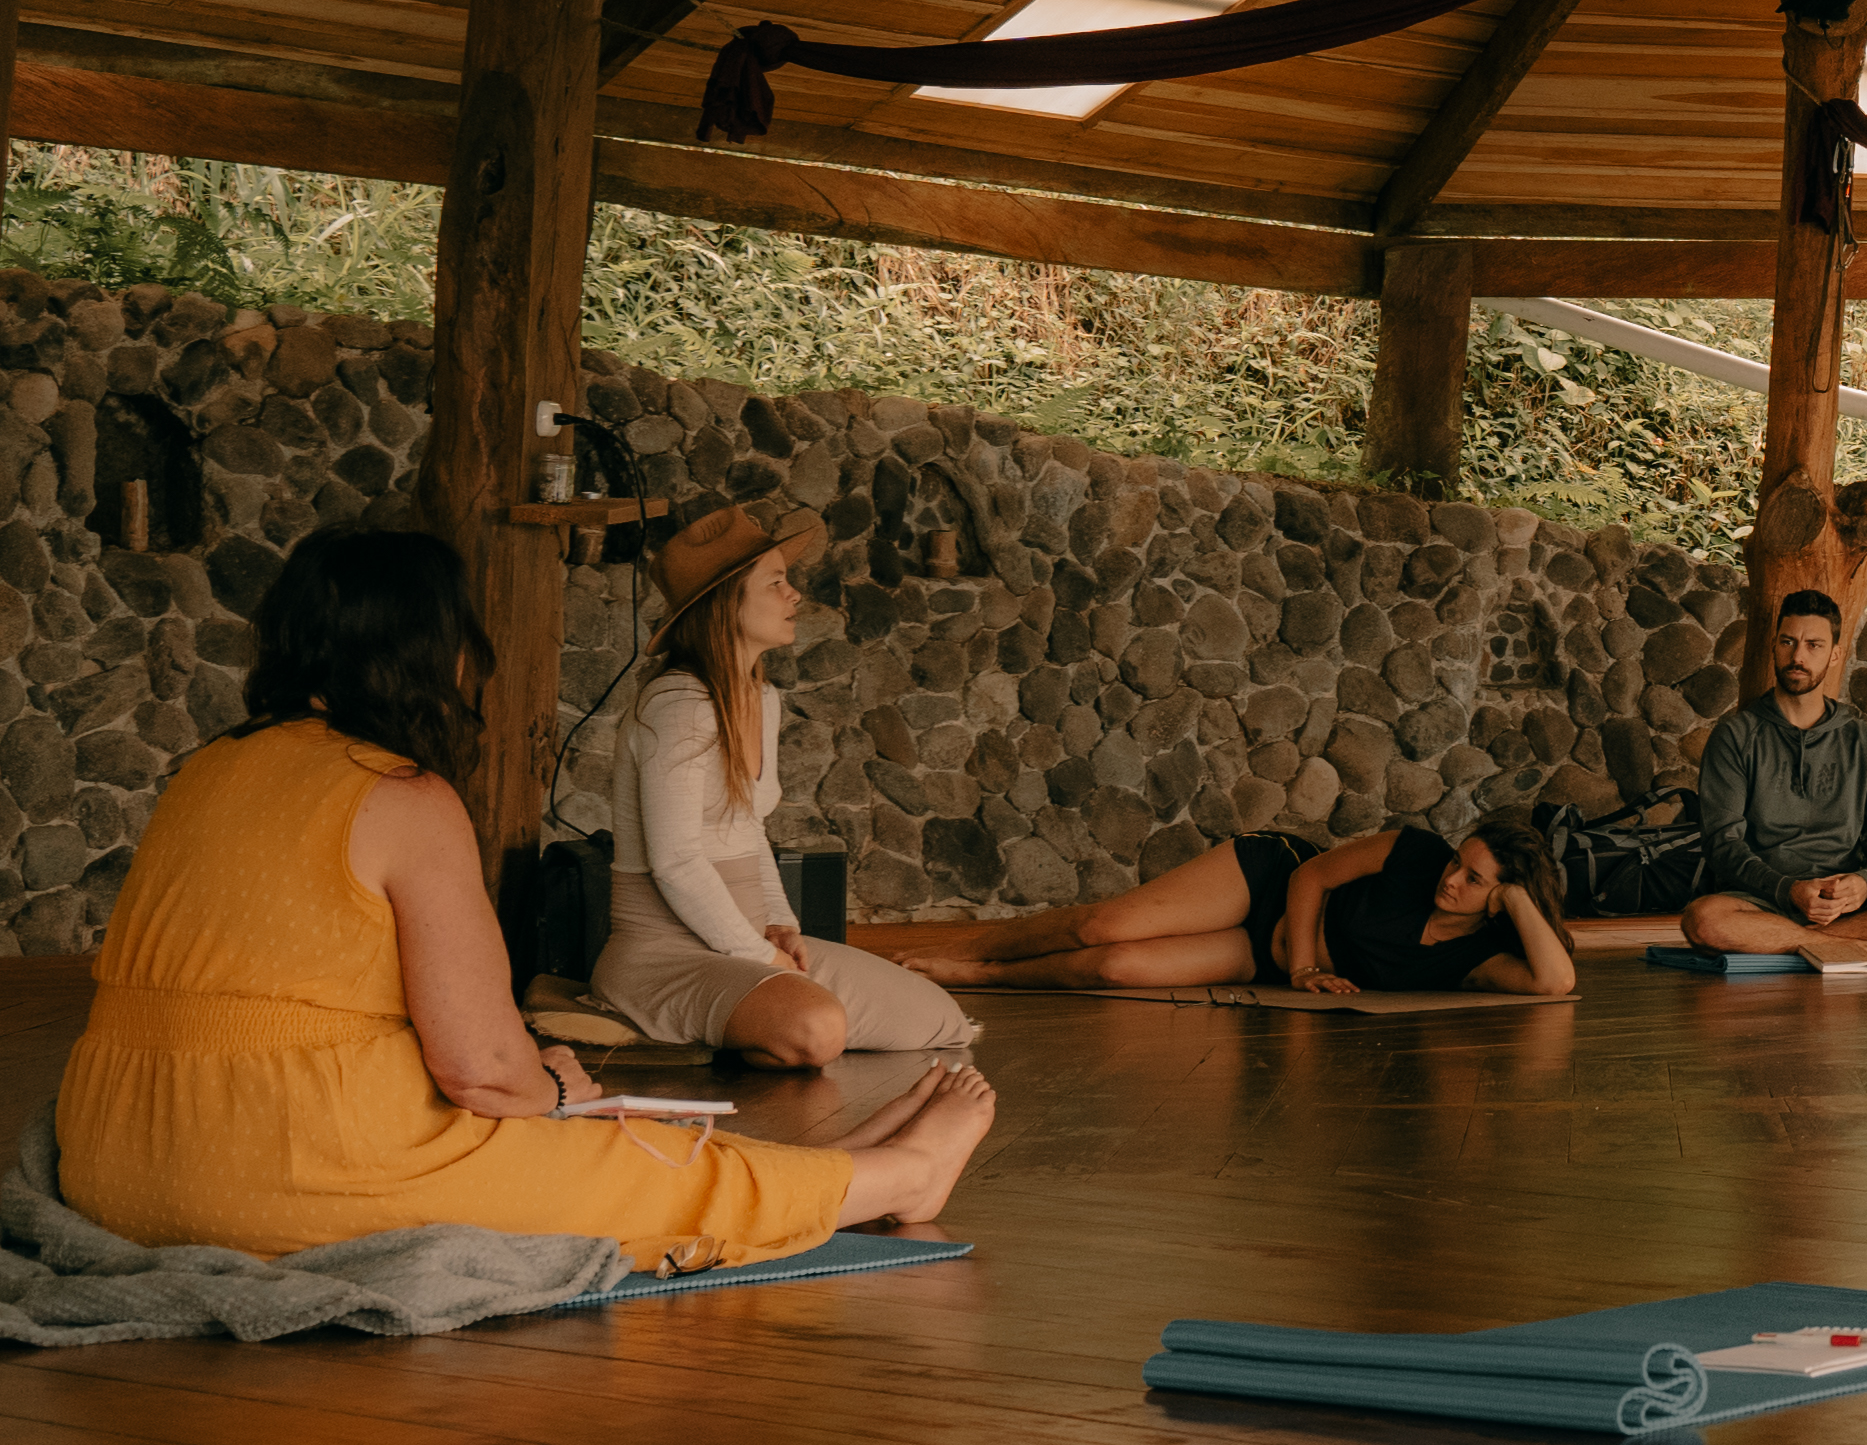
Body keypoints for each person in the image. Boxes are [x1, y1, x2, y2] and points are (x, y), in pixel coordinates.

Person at [59, 530, 995, 1268]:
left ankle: (840, 1168)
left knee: (605, 1129)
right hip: (276, 1170)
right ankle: (899, 1179)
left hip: (112, 1153)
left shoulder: (208, 768)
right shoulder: (398, 794)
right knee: (614, 1168)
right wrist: (547, 1080)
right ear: (438, 653)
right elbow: (479, 1073)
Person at [593, 502, 981, 1067]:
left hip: (746, 940)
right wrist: (757, 956)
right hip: (665, 956)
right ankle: (753, 1022)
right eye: (775, 582)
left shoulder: (760, 697)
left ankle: (755, 1021)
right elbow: (675, 860)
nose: (794, 594)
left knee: (938, 1018)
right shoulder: (676, 703)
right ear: (726, 602)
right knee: (817, 1028)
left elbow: (747, 827)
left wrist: (780, 924)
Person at [901, 815, 1575, 998]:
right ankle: (962, 950)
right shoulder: (1414, 852)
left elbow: (1555, 981)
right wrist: (1307, 968)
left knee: (1114, 968)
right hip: (1269, 881)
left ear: (1501, 905)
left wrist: (1516, 896)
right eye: (1459, 861)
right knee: (1099, 922)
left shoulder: (1479, 954)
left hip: (1259, 958)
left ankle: (979, 978)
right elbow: (1312, 875)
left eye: (1474, 879)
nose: (1452, 877)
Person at [1693, 585, 1867, 925]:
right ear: (1774, 645)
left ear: (1835, 655)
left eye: (1814, 645)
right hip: (1767, 899)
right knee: (1704, 918)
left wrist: (1864, 884)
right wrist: (1788, 889)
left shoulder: (1862, 739)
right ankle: (1866, 941)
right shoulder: (1735, 736)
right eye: (1788, 642)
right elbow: (1722, 843)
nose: (1798, 656)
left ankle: (1810, 942)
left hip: (1849, 902)